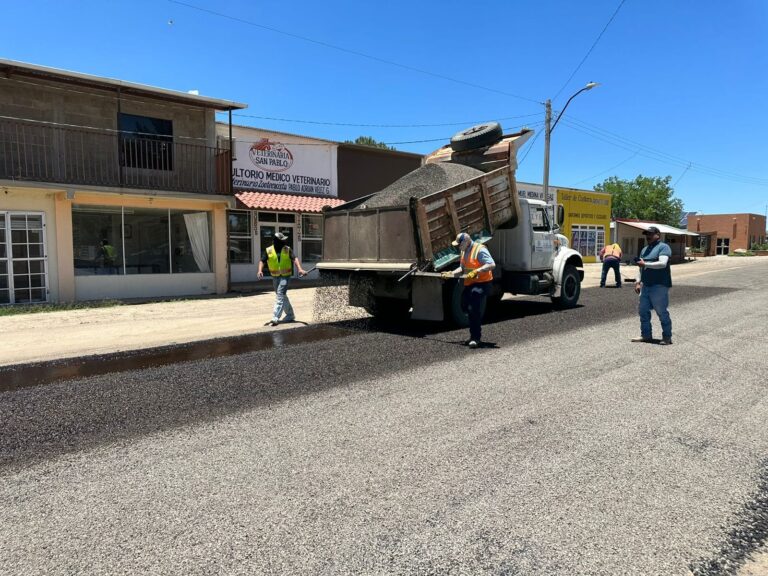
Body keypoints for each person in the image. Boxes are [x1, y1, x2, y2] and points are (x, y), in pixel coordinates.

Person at [441, 232, 496, 349]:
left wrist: (477, 271)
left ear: (466, 242)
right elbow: (462, 268)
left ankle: (475, 338)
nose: (458, 246)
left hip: (482, 283)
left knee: (473, 307)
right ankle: (473, 334)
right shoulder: (464, 250)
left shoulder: (479, 250)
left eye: (459, 244)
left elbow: (491, 264)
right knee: (465, 305)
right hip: (471, 283)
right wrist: (451, 273)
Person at [632, 226, 673, 345]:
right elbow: (641, 268)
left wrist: (645, 263)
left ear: (658, 235)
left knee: (661, 312)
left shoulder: (663, 247)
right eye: (646, 234)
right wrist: (638, 281)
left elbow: (662, 263)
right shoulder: (644, 250)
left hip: (659, 285)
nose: (647, 236)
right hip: (646, 285)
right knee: (643, 311)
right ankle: (646, 335)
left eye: (650, 234)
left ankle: (667, 337)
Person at [257, 232, 307, 326]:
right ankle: (290, 315)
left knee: (280, 295)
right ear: (277, 241)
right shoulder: (269, 250)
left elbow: (294, 259)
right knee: (282, 296)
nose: (284, 241)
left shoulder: (287, 249)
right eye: (282, 240)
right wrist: (259, 270)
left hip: (285, 276)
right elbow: (262, 260)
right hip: (275, 277)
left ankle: (275, 317)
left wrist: (299, 269)